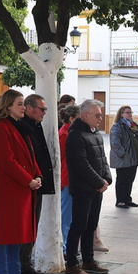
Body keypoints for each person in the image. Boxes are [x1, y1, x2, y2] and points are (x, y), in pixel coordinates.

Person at [0, 89, 42, 274]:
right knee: (4, 235)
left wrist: (37, 176)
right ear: (8, 106)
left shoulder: (19, 127)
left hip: (22, 188)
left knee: (16, 235)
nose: (23, 107)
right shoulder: (1, 128)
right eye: (20, 104)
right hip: (8, 189)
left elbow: (30, 155)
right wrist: (28, 180)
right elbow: (7, 161)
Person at [65, 99, 112, 274]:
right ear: (86, 115)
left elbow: (102, 159)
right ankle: (71, 264)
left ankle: (88, 260)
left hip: (96, 189)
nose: (101, 118)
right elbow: (81, 164)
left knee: (91, 226)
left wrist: (107, 179)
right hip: (83, 189)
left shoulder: (96, 133)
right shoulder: (76, 135)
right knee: (78, 226)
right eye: (98, 115)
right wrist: (98, 182)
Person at [17, 93, 56, 274]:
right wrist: (31, 178)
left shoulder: (35, 125)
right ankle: (21, 265)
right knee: (25, 226)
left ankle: (25, 263)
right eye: (42, 109)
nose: (44, 113)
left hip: (36, 182)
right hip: (26, 184)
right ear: (30, 108)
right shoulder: (22, 127)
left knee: (33, 224)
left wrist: (40, 176)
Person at [109, 105, 138, 208]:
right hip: (124, 158)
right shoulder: (118, 126)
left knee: (130, 180)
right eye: (127, 112)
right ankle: (120, 200)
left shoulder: (131, 125)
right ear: (121, 114)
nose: (130, 114)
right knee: (122, 180)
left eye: (131, 112)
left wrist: (136, 128)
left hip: (133, 158)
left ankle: (127, 199)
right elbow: (115, 143)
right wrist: (123, 154)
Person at [58, 104, 80, 252]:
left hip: (71, 179)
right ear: (72, 119)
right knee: (66, 217)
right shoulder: (65, 135)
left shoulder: (70, 132)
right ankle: (64, 247)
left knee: (70, 216)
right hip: (67, 179)